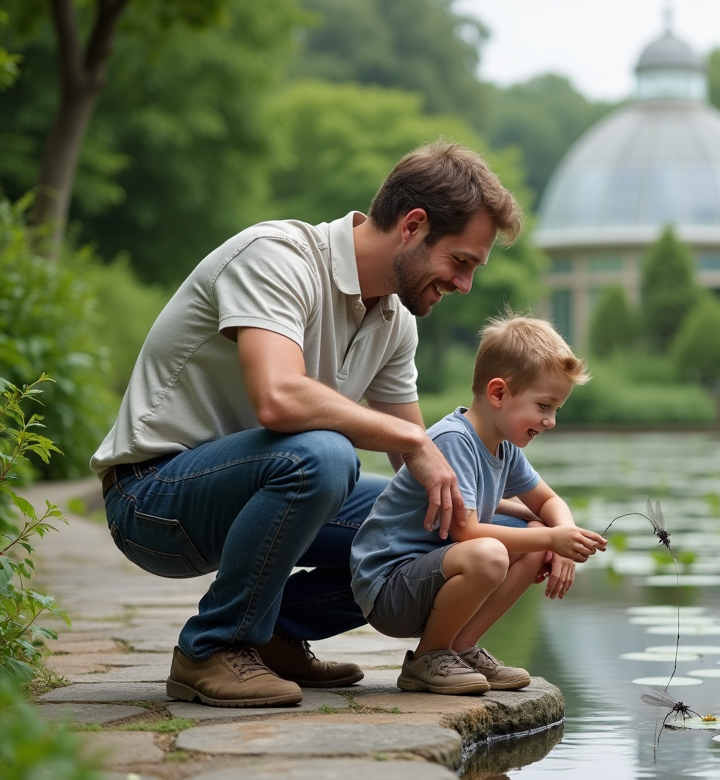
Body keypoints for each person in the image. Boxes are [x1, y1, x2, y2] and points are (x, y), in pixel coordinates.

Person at [91, 140, 525, 708]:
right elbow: (278, 399)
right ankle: (212, 648)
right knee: (324, 455)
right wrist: (411, 439)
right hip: (153, 498)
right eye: (461, 262)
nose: (464, 284)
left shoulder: (394, 319)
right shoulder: (277, 257)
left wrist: (488, 506)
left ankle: (275, 635)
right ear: (413, 226)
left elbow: (417, 468)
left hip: (257, 491)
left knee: (459, 524)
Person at [350, 314, 607, 694]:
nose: (550, 421)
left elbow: (549, 500)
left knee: (535, 535)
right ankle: (427, 657)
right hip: (390, 588)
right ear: (498, 393)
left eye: (556, 410)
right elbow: (465, 531)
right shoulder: (454, 439)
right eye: (544, 405)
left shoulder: (505, 447)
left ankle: (457, 647)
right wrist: (554, 539)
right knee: (491, 552)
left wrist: (561, 536)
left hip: (433, 575)